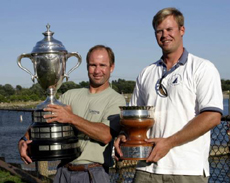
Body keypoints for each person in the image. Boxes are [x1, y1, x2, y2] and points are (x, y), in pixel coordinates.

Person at [114, 7, 223, 183]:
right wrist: (124, 134)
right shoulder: (146, 73)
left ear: (182, 30)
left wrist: (169, 142)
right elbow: (133, 118)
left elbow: (212, 117)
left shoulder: (203, 68)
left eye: (169, 29)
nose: (165, 35)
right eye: (159, 31)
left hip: (187, 170)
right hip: (146, 168)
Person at [18, 45, 126, 183]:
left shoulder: (116, 99)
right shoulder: (70, 95)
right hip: (63, 172)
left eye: (102, 65)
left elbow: (105, 135)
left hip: (93, 173)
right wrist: (24, 140)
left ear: (111, 67)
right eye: (93, 65)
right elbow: (44, 122)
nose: (97, 70)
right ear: (87, 67)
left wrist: (71, 118)